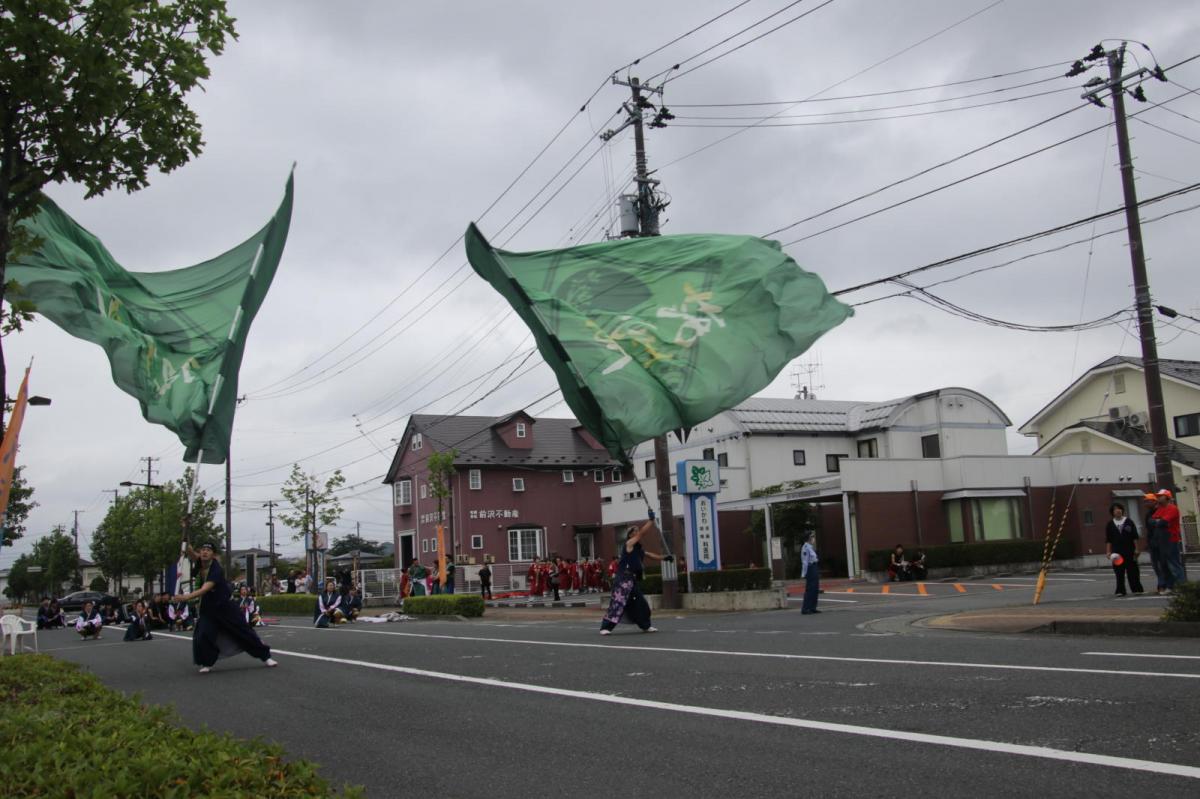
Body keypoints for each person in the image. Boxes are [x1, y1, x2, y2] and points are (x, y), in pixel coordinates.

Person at [172, 541, 276, 674]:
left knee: (243, 631)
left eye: (208, 550)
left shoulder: (216, 569)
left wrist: (185, 597)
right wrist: (186, 538)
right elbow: (191, 552)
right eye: (203, 550)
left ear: (213, 555)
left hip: (225, 607)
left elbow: (205, 589)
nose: (205, 552)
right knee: (203, 634)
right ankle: (207, 662)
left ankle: (266, 656)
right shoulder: (200, 562)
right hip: (208, 608)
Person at [600, 517, 667, 635]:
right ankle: (605, 627)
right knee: (618, 603)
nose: (637, 532)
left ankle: (645, 626)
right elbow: (642, 534)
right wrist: (651, 521)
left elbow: (650, 555)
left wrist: (665, 558)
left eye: (637, 530)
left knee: (641, 603)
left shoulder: (638, 549)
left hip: (632, 580)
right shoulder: (629, 544)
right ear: (630, 535)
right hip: (623, 580)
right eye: (635, 531)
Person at [1105, 502, 1144, 596]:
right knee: (1119, 572)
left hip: (1129, 550)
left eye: (1119, 508)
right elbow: (1108, 539)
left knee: (1133, 571)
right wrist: (1108, 551)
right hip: (1116, 552)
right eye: (1115, 509)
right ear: (1112, 512)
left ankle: (1136, 589)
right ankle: (1120, 590)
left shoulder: (1129, 522)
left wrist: (1137, 549)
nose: (1117, 510)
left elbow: (1134, 537)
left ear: (1122, 510)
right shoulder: (1110, 524)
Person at [1151, 489, 1187, 591]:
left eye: (1160, 496)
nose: (1158, 498)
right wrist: (1158, 521)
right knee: (1164, 564)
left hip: (1171, 538)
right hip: (1161, 539)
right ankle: (1170, 586)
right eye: (1158, 496)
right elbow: (1151, 521)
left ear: (1167, 497)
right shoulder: (1160, 508)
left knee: (1174, 563)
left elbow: (1162, 522)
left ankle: (1181, 586)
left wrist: (1158, 521)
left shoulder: (1172, 508)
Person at [801, 532, 821, 615]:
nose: (813, 538)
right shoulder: (805, 547)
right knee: (810, 589)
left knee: (815, 589)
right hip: (810, 569)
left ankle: (813, 608)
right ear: (808, 538)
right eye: (812, 537)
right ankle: (805, 608)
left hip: (814, 567)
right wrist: (804, 573)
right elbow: (805, 562)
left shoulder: (810, 547)